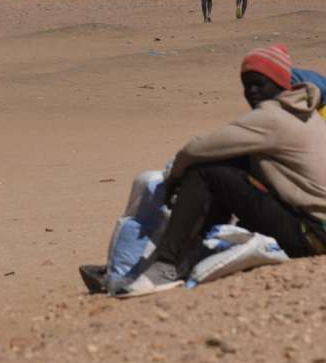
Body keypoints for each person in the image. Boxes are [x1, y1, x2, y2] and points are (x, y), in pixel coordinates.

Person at [126, 44, 326, 295]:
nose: (251, 91)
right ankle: (191, 254)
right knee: (227, 168)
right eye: (246, 84)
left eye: (259, 83)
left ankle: (166, 265)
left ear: (279, 83)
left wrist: (173, 179)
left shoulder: (272, 117)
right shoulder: (307, 112)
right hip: (317, 228)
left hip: (313, 235)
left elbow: (195, 149)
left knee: (205, 172)